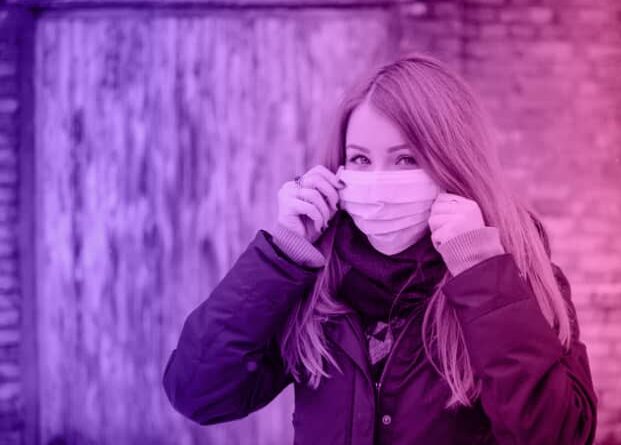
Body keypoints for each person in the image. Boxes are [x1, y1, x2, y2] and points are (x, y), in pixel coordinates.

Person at [162, 52, 598, 445]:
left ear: (454, 164)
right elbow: (198, 393)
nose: (378, 181)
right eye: (360, 160)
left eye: (406, 159)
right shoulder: (318, 286)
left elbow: (558, 435)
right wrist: (281, 255)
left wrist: (481, 274)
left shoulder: (517, 279)